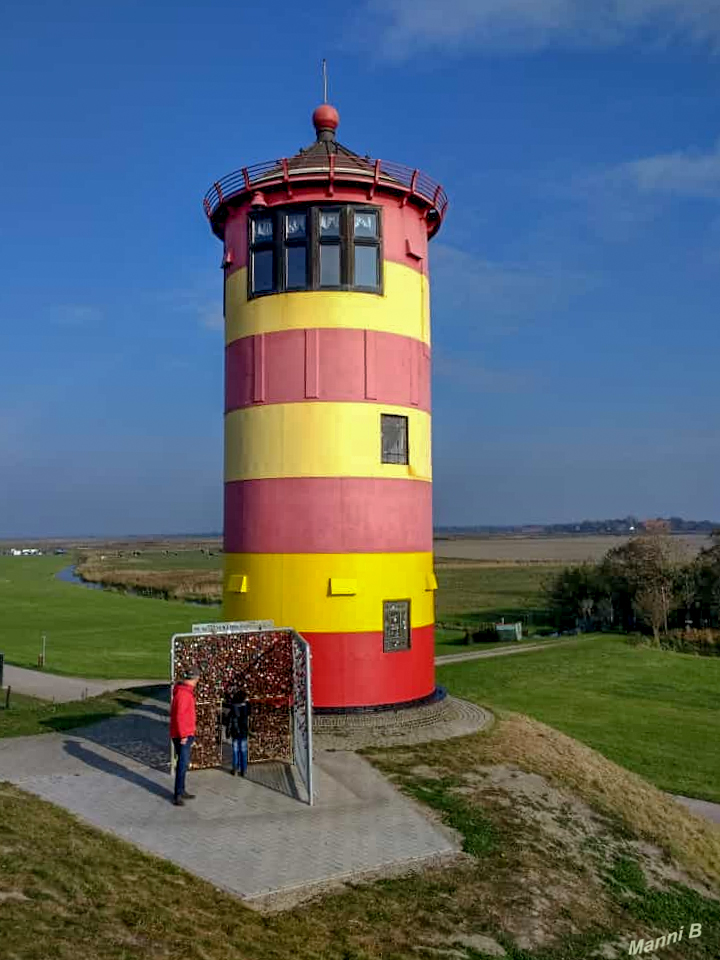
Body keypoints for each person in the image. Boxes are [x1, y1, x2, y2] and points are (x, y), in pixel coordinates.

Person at [170, 668, 200, 806]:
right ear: (194, 679)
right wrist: (183, 735)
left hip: (184, 733)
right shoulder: (184, 694)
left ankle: (181, 790)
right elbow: (180, 716)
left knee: (183, 763)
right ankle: (178, 795)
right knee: (182, 765)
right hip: (183, 735)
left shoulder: (183, 691)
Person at [223, 688, 251, 777]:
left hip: (235, 732)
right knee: (243, 751)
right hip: (243, 731)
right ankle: (243, 770)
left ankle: (235, 768)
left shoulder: (233, 707)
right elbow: (249, 711)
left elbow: (229, 721)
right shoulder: (246, 707)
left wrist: (228, 731)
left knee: (235, 751)